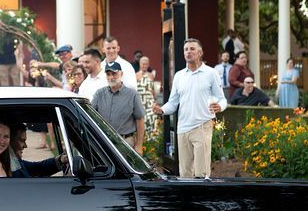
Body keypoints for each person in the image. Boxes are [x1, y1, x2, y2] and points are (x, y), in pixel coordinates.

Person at [152, 38, 227, 179]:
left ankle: (203, 201)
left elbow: (222, 99)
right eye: (186, 49)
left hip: (202, 126)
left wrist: (220, 106)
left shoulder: (211, 73)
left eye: (192, 49)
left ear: (200, 53)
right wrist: (161, 110)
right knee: (185, 174)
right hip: (182, 129)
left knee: (201, 174)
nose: (188, 52)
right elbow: (173, 103)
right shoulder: (179, 76)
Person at [92, 62, 145, 150]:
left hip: (126, 142)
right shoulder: (99, 94)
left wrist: (139, 145)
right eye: (108, 74)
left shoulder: (132, 94)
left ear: (121, 74)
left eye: (114, 74)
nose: (111, 77)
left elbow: (140, 119)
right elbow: (91, 115)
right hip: (104, 141)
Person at [136, 56, 159, 140]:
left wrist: (155, 100)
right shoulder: (136, 76)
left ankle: (152, 142)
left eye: (146, 64)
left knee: (152, 120)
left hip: (150, 102)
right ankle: (143, 141)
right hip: (140, 102)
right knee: (142, 121)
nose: (144, 66)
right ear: (140, 64)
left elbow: (153, 89)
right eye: (143, 64)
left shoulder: (151, 75)